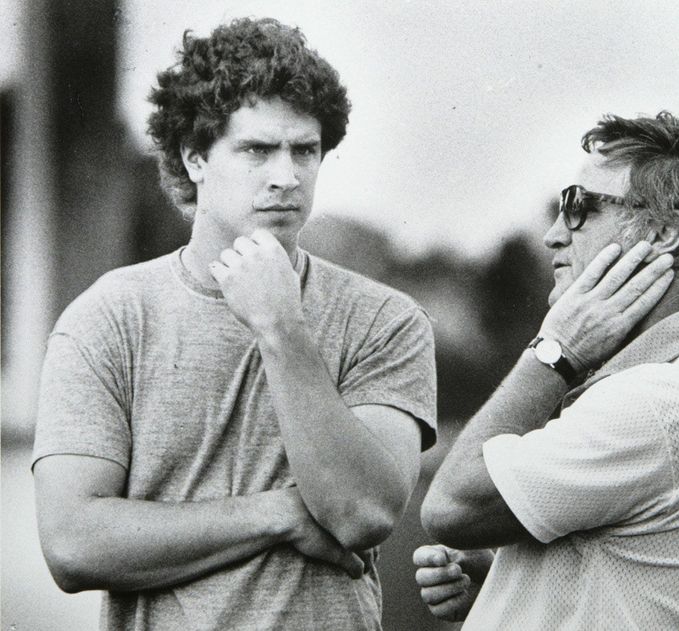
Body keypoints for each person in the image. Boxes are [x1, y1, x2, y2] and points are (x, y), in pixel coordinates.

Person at [33, 17, 436, 630]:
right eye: (256, 149)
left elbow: (362, 514)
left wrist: (281, 328)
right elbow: (72, 544)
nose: (286, 175)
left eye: (305, 150)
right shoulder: (108, 316)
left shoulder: (385, 319)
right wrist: (279, 514)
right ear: (194, 158)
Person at [414, 112, 679, 630]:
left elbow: (451, 507)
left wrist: (556, 350)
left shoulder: (660, 400)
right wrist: (510, 586)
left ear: (661, 232)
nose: (553, 234)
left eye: (578, 206)